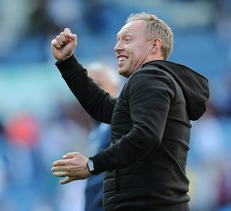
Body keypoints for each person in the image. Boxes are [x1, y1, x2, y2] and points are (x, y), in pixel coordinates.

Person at [50, 12, 210, 211]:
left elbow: (146, 135)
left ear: (154, 46)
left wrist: (92, 165)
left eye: (127, 40)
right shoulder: (154, 82)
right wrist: (67, 63)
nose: (117, 47)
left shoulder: (149, 78)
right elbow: (104, 108)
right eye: (117, 40)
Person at [84, 62, 120, 211]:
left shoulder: (121, 125)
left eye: (99, 84)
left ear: (116, 88)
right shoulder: (98, 127)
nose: (92, 92)